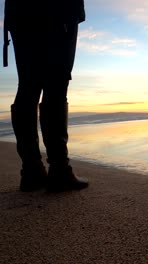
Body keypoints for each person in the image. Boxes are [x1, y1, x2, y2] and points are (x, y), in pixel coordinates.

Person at [3, 0, 88, 192]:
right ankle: (59, 170)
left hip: (20, 13)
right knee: (55, 86)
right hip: (59, 11)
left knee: (28, 85)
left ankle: (32, 171)